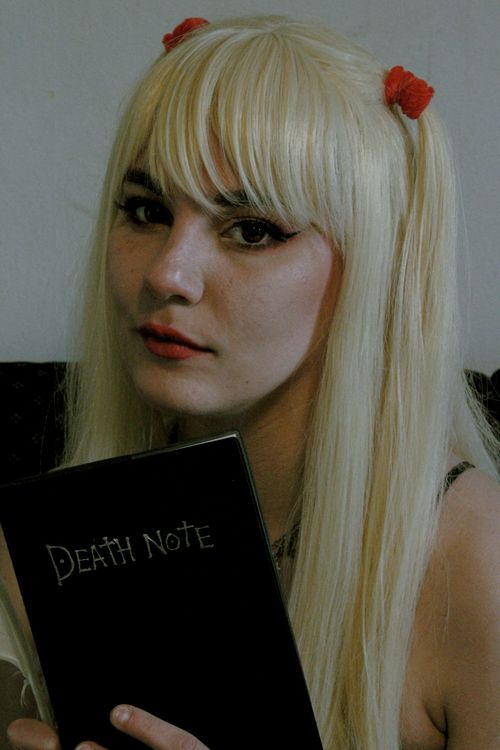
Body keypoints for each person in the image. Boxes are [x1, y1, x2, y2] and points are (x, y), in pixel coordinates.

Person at [2, 13, 500, 750]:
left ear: (374, 271)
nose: (168, 273)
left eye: (253, 230)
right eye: (146, 210)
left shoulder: (477, 565)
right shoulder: (42, 552)